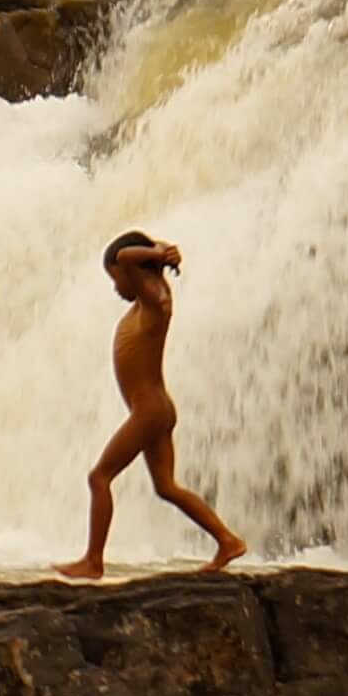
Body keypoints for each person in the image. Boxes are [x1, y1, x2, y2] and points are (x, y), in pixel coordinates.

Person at [55, 230, 248, 579]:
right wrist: (153, 255)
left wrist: (157, 251)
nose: (116, 288)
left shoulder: (155, 299)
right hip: (155, 408)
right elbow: (129, 259)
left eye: (115, 279)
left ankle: (93, 561)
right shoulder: (143, 302)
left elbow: (127, 256)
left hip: (150, 411)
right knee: (166, 487)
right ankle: (228, 540)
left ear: (133, 270)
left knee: (99, 477)